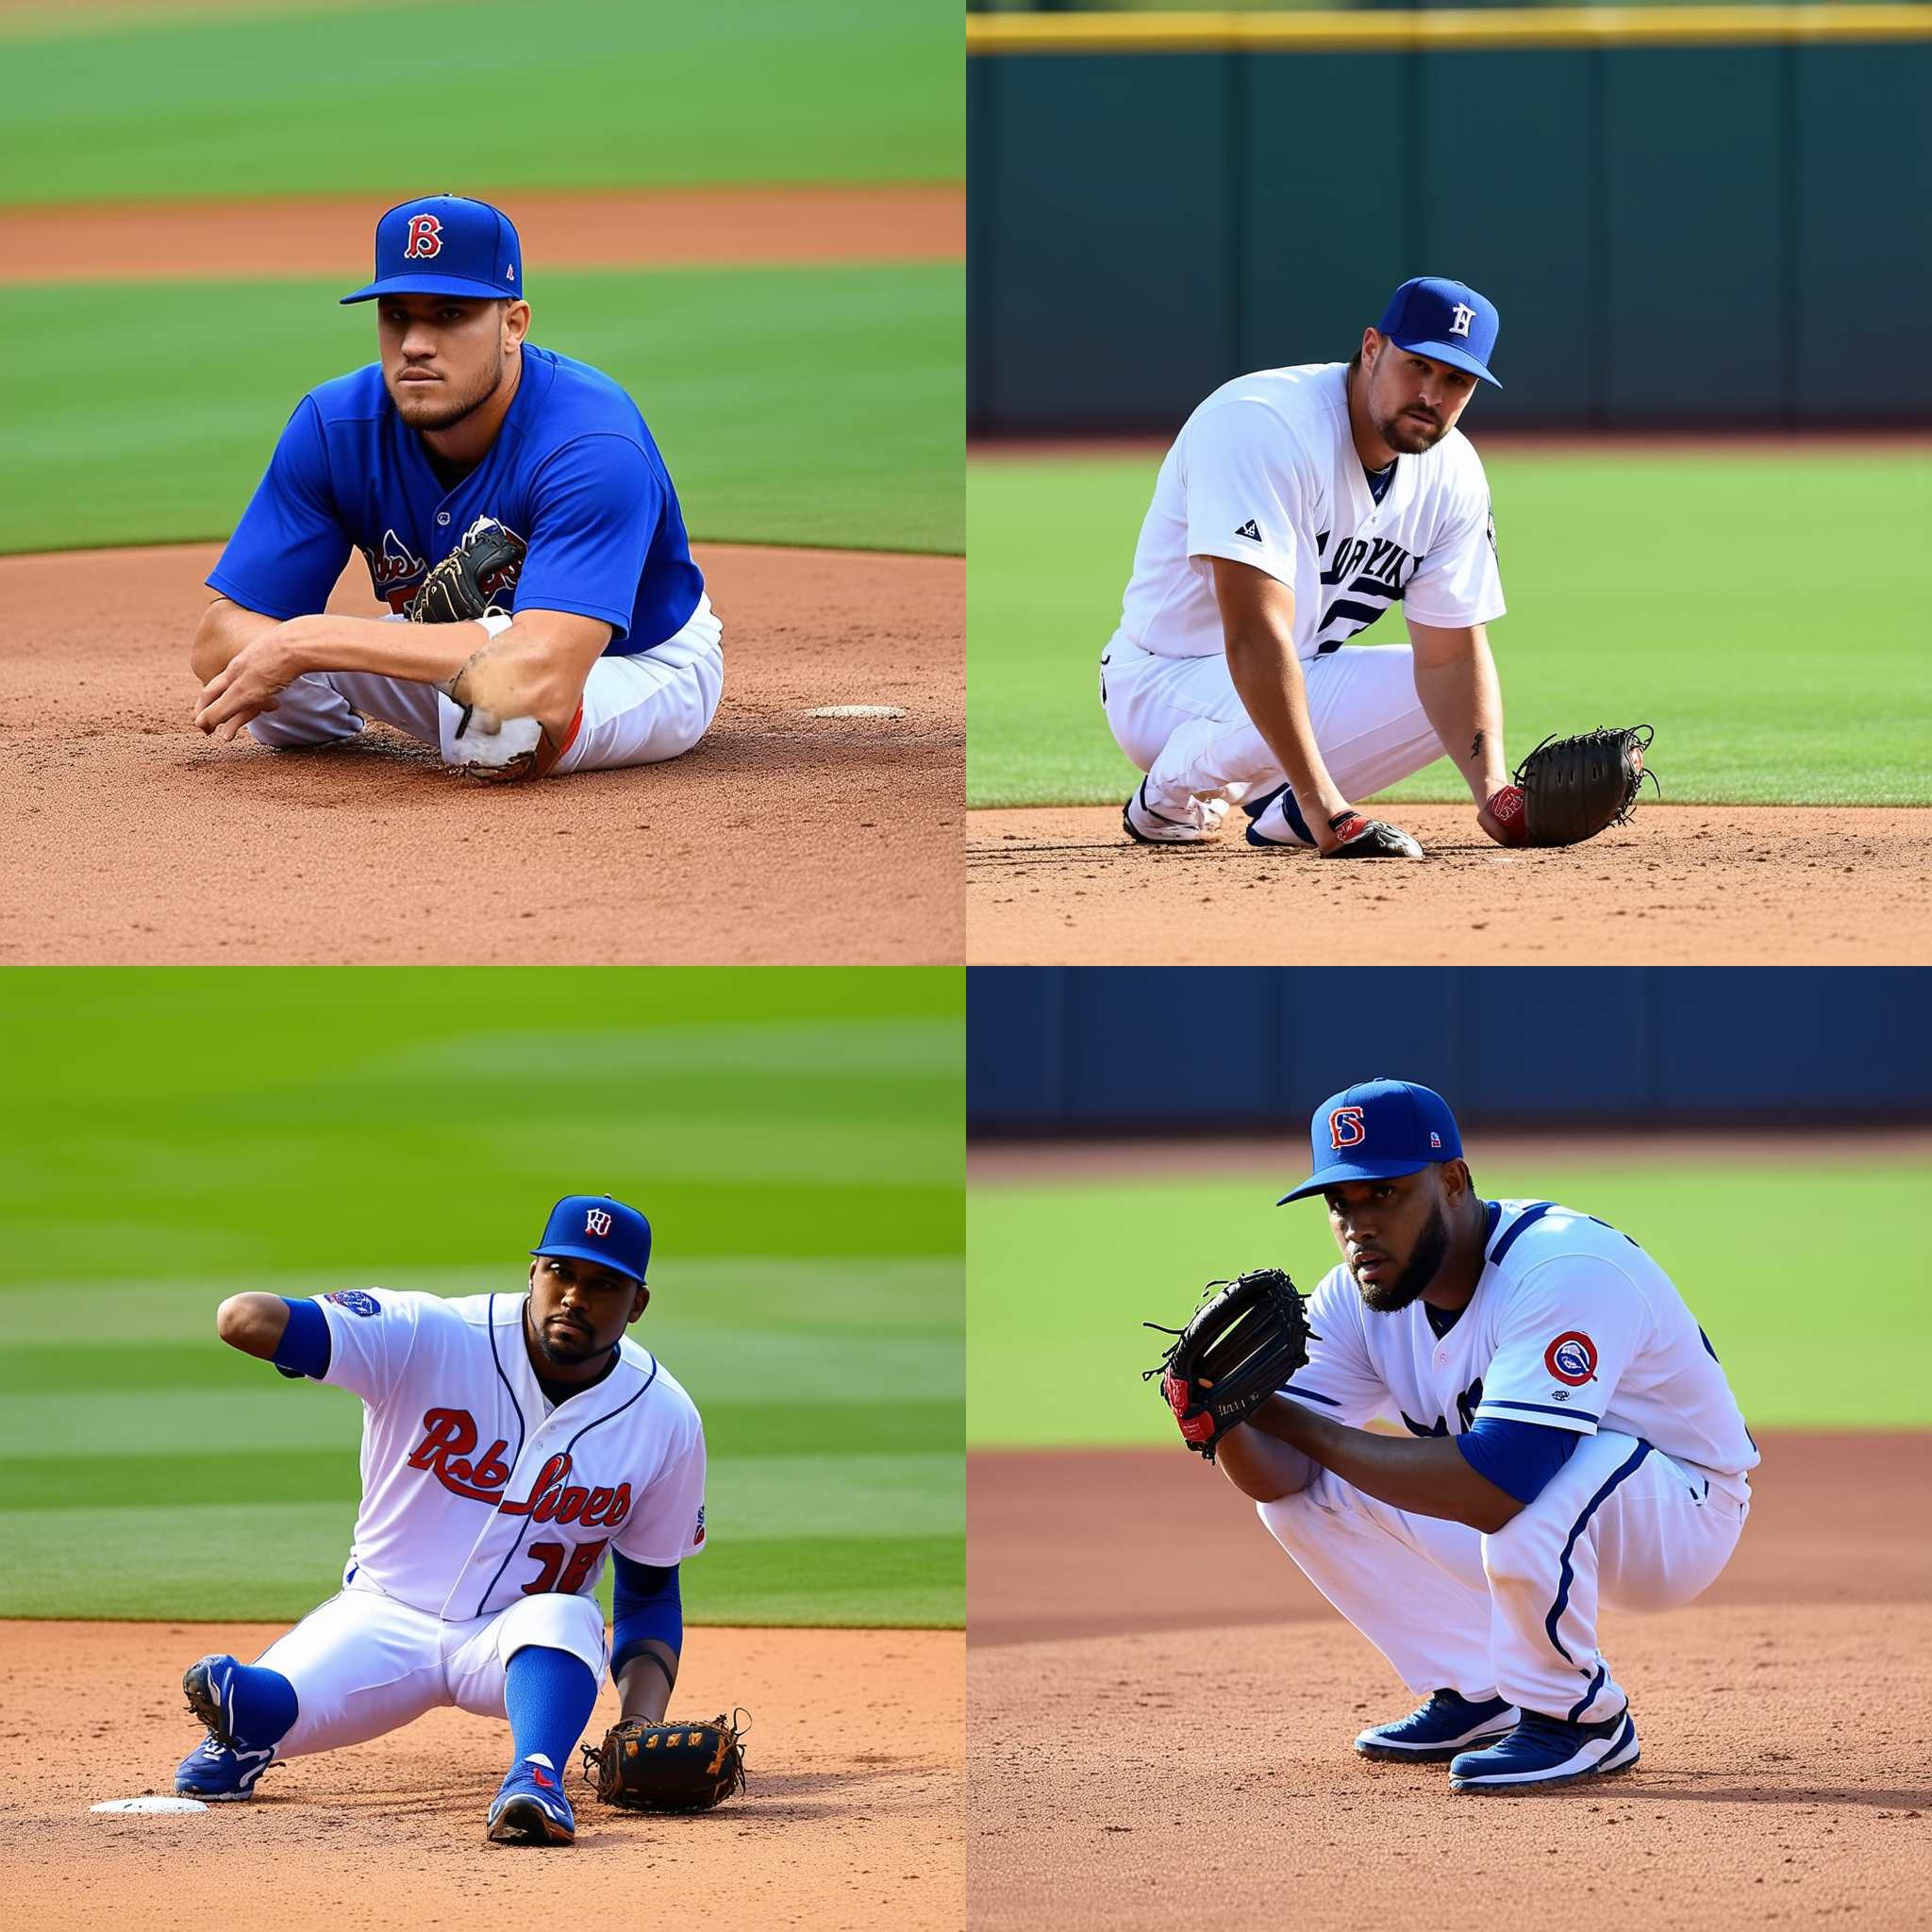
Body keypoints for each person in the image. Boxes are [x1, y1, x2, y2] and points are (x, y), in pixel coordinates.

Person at [1201, 1079, 1756, 1790]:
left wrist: (1277, 1412)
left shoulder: (1560, 1268)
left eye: (1385, 1193)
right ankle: (1478, 1688)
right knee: (1312, 1490)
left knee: (1533, 1478)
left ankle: (1578, 1721)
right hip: (1543, 1515)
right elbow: (1280, 1477)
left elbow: (1500, 1483)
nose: (1358, 1225)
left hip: (1677, 1515)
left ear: (1453, 1182)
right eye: (1340, 1204)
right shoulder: (1356, 1295)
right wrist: (1229, 1415)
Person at [174, 1193, 707, 1845]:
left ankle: (536, 1777)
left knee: (567, 1612)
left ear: (637, 1305)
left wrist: (636, 1726)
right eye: (560, 1273)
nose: (574, 1296)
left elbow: (650, 1589)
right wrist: (341, 1334)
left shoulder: (665, 1418)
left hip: (514, 1645)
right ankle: (250, 1726)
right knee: (276, 1699)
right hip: (380, 1617)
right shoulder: (430, 1335)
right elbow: (241, 1320)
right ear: (532, 1273)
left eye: (602, 1284)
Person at [190, 194, 723, 780]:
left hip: (634, 660)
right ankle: (354, 716)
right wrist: (299, 646)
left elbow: (541, 670)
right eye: (397, 315)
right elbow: (218, 635)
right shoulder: (335, 423)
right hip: (463, 649)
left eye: (449, 314)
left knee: (503, 715)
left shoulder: (591, 442)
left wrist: (306, 643)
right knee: (262, 681)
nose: (415, 343)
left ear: (512, 325)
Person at [1106, 277, 1524, 858]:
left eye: (1456, 379)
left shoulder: (1453, 472)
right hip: (1162, 683)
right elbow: (1254, 636)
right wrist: (1329, 807)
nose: (1431, 394)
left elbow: (1452, 653)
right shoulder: (1261, 423)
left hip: (1292, 671)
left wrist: (1495, 796)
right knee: (1286, 678)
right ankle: (1172, 797)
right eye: (1418, 366)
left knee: (1449, 695)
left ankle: (1285, 817)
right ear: (1372, 349)